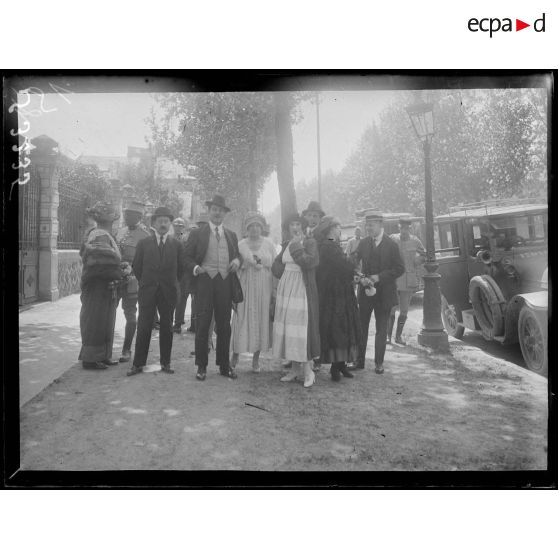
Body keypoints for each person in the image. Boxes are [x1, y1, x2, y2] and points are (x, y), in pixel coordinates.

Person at [184, 194, 241, 381]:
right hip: (205, 282)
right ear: (209, 211)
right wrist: (195, 267)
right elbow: (186, 257)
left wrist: (236, 261)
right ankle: (201, 366)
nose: (217, 213)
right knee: (202, 324)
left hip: (225, 283)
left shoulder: (231, 236)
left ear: (224, 214)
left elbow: (238, 257)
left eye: (221, 210)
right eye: (214, 210)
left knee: (225, 325)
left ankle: (224, 366)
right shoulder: (197, 233)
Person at [128, 207, 184, 376]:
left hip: (168, 292)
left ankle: (165, 363)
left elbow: (180, 270)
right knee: (144, 326)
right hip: (148, 291)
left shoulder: (177, 244)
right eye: (160, 221)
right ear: (153, 224)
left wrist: (170, 283)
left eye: (166, 221)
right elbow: (137, 267)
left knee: (167, 327)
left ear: (170, 224)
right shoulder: (144, 243)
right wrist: (147, 282)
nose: (163, 224)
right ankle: (138, 364)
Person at [349, 211, 405, 374]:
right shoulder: (364, 243)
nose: (367, 228)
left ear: (380, 225)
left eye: (371, 225)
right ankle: (359, 361)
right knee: (362, 327)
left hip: (385, 293)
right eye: (366, 224)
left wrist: (379, 277)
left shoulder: (392, 244)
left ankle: (379, 363)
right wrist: (359, 276)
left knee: (381, 329)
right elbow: (354, 262)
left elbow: (400, 269)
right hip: (365, 292)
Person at [272, 212, 320, 388]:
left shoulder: (309, 242)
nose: (295, 228)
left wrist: (295, 247)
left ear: (303, 226)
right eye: (292, 225)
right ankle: (294, 369)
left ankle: (308, 371)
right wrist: (282, 269)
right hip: (287, 288)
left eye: (298, 224)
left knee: (300, 329)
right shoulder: (286, 244)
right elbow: (276, 265)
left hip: (302, 288)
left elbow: (309, 262)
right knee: (289, 327)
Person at [314, 216, 362, 381]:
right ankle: (336, 367)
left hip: (340, 291)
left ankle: (341, 365)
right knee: (337, 328)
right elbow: (344, 265)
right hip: (333, 294)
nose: (340, 230)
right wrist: (354, 259)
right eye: (338, 227)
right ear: (331, 229)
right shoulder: (328, 245)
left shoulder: (331, 244)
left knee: (343, 328)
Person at [78, 202, 123, 370]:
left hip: (106, 286)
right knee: (95, 321)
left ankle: (103, 355)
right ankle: (90, 359)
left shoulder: (105, 234)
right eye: (110, 217)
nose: (112, 220)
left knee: (106, 320)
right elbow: (102, 261)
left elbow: (111, 260)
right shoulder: (99, 234)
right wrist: (119, 271)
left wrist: (119, 268)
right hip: (97, 286)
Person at [231, 212, 276, 373]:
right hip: (245, 285)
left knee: (260, 320)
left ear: (262, 228)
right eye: (251, 226)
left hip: (264, 286)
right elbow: (235, 266)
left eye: (258, 226)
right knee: (241, 319)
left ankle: (256, 360)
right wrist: (246, 263)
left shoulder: (269, 244)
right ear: (247, 229)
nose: (255, 229)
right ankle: (235, 356)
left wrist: (274, 293)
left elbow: (275, 266)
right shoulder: (241, 244)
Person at [115, 201, 151, 363]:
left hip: (133, 281)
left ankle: (126, 349)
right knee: (109, 312)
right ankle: (105, 348)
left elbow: (148, 262)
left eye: (130, 214)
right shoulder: (119, 232)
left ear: (139, 216)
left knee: (130, 314)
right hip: (115, 279)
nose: (126, 216)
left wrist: (133, 271)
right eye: (125, 213)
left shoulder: (145, 236)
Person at [388, 218, 426, 345]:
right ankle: (388, 336)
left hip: (408, 280)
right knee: (391, 309)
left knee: (404, 311)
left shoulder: (415, 241)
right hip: (393, 280)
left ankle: (398, 336)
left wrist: (418, 260)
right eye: (401, 228)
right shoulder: (393, 238)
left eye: (406, 228)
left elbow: (424, 255)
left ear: (409, 229)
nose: (404, 231)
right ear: (399, 228)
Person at [171, 217, 195, 334]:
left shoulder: (186, 238)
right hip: (173, 271)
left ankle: (178, 323)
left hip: (185, 272)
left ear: (184, 227)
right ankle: (177, 322)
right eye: (176, 225)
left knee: (183, 297)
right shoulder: (169, 238)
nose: (178, 228)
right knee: (175, 298)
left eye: (180, 226)